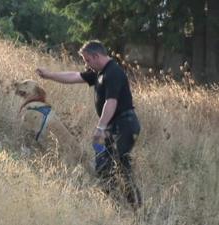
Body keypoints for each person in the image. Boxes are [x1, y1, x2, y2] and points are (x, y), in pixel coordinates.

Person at [36, 40, 142, 209]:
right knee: (109, 166)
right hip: (114, 125)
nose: (86, 64)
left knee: (115, 166)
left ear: (96, 56)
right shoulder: (99, 73)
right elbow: (74, 76)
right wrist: (49, 75)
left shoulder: (113, 72)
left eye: (87, 60)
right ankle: (120, 207)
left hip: (124, 125)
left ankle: (130, 207)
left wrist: (100, 127)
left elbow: (111, 102)